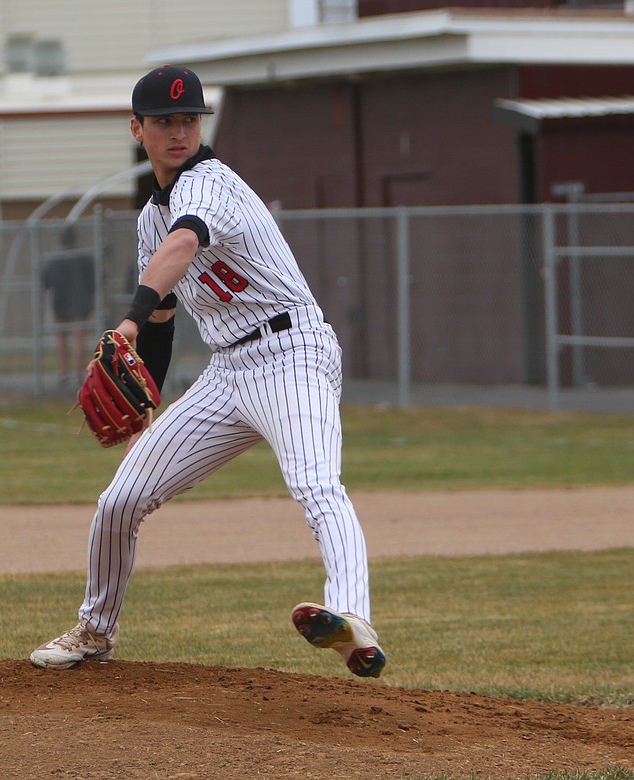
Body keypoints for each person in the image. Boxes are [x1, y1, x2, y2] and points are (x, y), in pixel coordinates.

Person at [30, 65, 386, 678]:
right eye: (165, 121)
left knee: (316, 484)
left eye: (189, 119)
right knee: (121, 499)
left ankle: (354, 622)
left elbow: (184, 247)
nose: (179, 131)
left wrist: (129, 321)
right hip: (228, 373)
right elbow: (166, 316)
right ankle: (95, 628)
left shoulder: (209, 183)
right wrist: (147, 404)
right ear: (137, 128)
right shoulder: (149, 218)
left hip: (292, 352)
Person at [41, 225, 96, 383]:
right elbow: (94, 280)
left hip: (61, 302)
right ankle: (78, 372)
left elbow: (46, 282)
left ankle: (64, 372)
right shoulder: (84, 258)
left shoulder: (55, 260)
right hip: (78, 302)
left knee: (63, 336)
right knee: (78, 335)